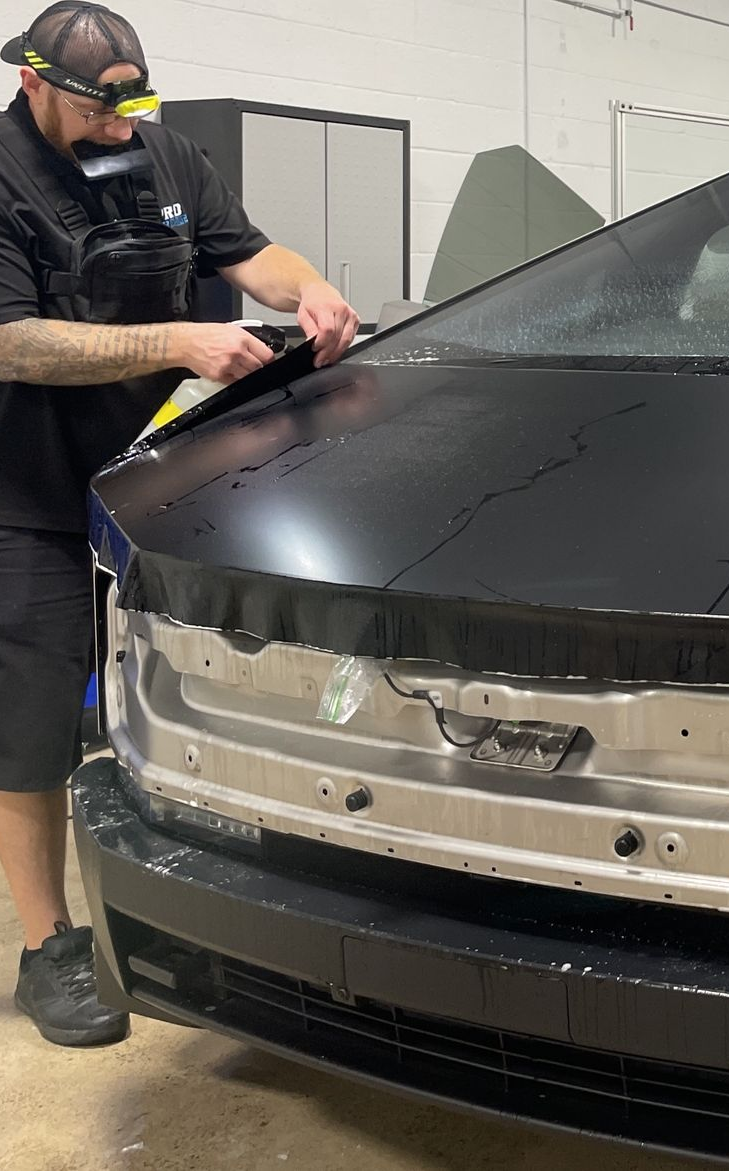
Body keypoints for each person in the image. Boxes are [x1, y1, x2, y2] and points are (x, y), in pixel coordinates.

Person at [0, 2, 359, 1046]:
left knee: (174, 687)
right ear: (33, 85)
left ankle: (188, 883)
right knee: (29, 721)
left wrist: (314, 289)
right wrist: (185, 340)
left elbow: (251, 254)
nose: (119, 134)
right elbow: (12, 344)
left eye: (130, 111)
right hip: (26, 492)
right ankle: (45, 944)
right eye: (95, 114)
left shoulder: (166, 153)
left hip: (153, 482)